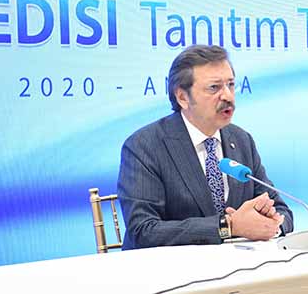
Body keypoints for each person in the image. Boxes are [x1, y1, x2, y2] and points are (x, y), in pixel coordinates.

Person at [117, 45, 293, 249]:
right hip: (170, 267)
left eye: (231, 85)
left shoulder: (241, 140)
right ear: (182, 97)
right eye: (214, 88)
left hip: (239, 265)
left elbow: (282, 211)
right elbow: (143, 230)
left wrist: (270, 224)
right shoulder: (144, 146)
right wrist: (228, 226)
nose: (228, 96)